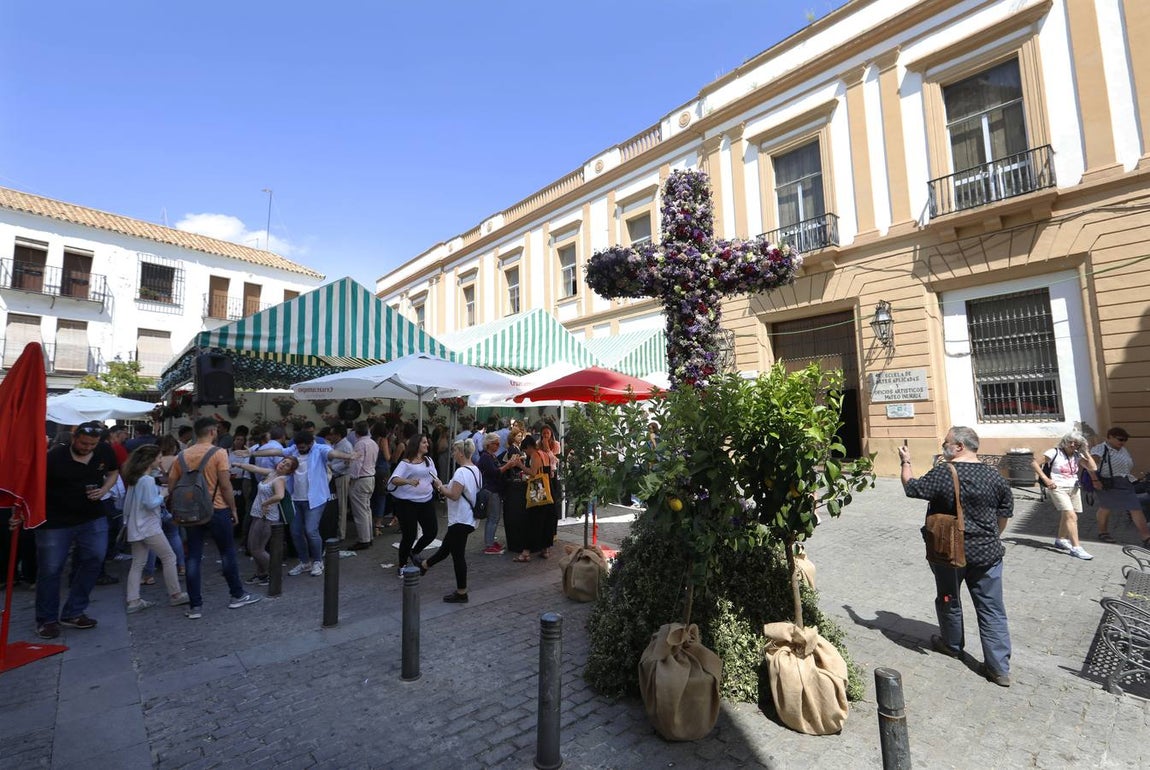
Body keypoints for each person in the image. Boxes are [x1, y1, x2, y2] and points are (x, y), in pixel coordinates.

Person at [899, 426, 1015, 687]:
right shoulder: (994, 476)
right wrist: (991, 536)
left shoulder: (945, 471)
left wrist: (905, 462)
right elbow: (1004, 513)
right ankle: (999, 669)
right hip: (988, 553)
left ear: (959, 446)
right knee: (992, 609)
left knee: (949, 597)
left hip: (949, 551)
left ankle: (951, 644)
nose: (944, 445)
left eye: (947, 442)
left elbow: (912, 488)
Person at [168, 417, 261, 619]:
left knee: (193, 556)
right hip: (217, 508)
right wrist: (234, 509)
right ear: (212, 432)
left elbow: (172, 485)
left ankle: (195, 606)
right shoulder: (219, 453)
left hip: (191, 511)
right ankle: (236, 595)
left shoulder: (182, 455)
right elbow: (226, 485)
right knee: (227, 552)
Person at [34, 422, 120, 639]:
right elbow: (35, 485)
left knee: (95, 558)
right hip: (55, 520)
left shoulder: (103, 450)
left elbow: (114, 471)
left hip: (91, 516)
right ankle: (47, 619)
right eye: (83, 443)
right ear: (74, 438)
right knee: (51, 569)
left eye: (92, 444)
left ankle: (73, 611)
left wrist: (104, 489)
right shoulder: (55, 457)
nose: (87, 447)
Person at [241, 431, 353, 577]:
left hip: (315, 499)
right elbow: (275, 451)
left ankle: (318, 561)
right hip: (296, 499)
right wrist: (252, 453)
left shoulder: (320, 449)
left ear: (310, 444)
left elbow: (332, 454)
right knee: (295, 532)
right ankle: (304, 562)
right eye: (298, 446)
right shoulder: (293, 450)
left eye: (303, 447)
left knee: (311, 531)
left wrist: (349, 456)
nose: (300, 449)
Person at [411, 439, 480, 603]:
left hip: (460, 519)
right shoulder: (475, 469)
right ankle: (424, 565)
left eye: (455, 451)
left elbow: (454, 495)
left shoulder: (461, 472)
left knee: (458, 556)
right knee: (446, 548)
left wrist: (441, 486)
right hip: (467, 518)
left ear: (461, 453)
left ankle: (462, 592)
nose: (453, 454)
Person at [121, 445, 188, 612]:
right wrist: (163, 494)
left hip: (135, 526)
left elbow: (127, 505)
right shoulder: (148, 480)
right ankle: (175, 594)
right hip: (149, 526)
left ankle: (133, 600)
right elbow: (151, 503)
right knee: (169, 557)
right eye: (158, 457)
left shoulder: (134, 478)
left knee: (137, 563)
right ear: (150, 460)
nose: (160, 460)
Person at [230, 456, 298, 585]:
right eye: (284, 462)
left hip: (267, 517)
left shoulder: (279, 479)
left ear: (290, 471)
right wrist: (239, 464)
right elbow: (255, 468)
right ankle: (262, 574)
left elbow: (279, 495)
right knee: (253, 547)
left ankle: (275, 574)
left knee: (257, 549)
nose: (283, 465)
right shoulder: (272, 473)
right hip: (258, 514)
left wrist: (265, 503)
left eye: (287, 465)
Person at [1031, 431, 1098, 560]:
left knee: (1068, 515)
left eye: (1076, 443)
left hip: (1074, 488)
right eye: (1070, 441)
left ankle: (1061, 540)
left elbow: (1093, 468)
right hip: (1058, 487)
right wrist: (1046, 479)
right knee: (1071, 516)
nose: (1072, 445)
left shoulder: (1077, 455)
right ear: (1064, 441)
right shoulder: (1054, 452)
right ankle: (1076, 548)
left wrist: (1086, 452)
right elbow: (1034, 463)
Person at [1090, 426, 1150, 547]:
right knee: (1106, 507)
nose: (1123, 442)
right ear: (1110, 437)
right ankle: (1103, 532)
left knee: (1133, 507)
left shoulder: (1122, 449)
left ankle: (1146, 537)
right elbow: (1087, 463)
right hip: (1108, 483)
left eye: (1125, 440)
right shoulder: (1101, 449)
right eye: (1120, 439)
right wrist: (1095, 480)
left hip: (1124, 482)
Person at [389, 434, 438, 577]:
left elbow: (434, 477)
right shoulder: (405, 463)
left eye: (427, 443)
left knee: (431, 532)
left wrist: (441, 486)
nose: (427, 445)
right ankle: (402, 565)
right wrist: (409, 481)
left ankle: (414, 552)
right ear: (416, 445)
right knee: (409, 536)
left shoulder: (428, 460)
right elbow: (394, 479)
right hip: (407, 504)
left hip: (426, 501)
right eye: (424, 443)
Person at [514, 434, 558, 562]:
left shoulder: (535, 455)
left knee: (532, 521)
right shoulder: (544, 454)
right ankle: (545, 549)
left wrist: (520, 465)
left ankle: (526, 552)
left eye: (525, 450)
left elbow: (533, 472)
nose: (526, 453)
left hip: (538, 491)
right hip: (547, 489)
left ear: (528, 447)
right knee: (545, 521)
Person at [477, 433, 512, 555]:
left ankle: (490, 541)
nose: (498, 446)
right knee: (493, 517)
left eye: (498, 443)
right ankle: (489, 544)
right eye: (496, 443)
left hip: (494, 489)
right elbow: (495, 472)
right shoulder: (486, 457)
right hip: (491, 490)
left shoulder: (491, 456)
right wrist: (508, 465)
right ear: (489, 444)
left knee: (494, 517)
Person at [346, 421, 378, 550]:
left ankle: (364, 539)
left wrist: (352, 477)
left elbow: (357, 463)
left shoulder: (360, 444)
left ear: (356, 432)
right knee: (366, 509)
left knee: (360, 511)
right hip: (370, 477)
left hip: (361, 478)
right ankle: (368, 536)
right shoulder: (373, 443)